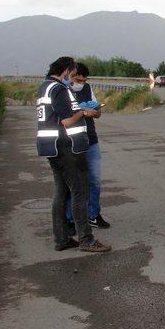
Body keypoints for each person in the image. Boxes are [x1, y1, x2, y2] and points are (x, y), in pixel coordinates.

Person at [36, 56, 111, 253]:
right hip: (66, 148)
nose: (73, 77)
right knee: (80, 192)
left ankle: (62, 239)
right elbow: (68, 121)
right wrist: (84, 111)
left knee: (62, 193)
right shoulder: (59, 88)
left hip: (52, 148)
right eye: (73, 73)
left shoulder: (46, 86)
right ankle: (86, 239)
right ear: (67, 70)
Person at [65, 62, 110, 229]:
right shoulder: (62, 90)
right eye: (77, 79)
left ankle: (93, 214)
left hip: (90, 140)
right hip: (70, 143)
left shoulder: (87, 88)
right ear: (70, 75)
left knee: (95, 181)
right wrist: (81, 112)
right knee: (72, 183)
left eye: (84, 81)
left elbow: (97, 113)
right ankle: (69, 219)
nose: (80, 84)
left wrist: (94, 111)